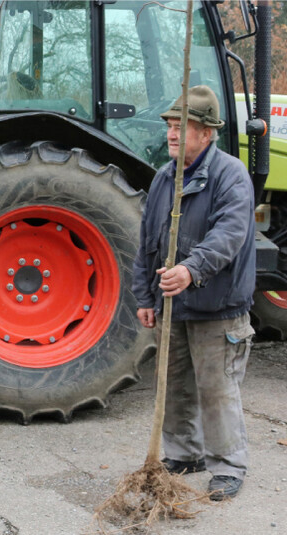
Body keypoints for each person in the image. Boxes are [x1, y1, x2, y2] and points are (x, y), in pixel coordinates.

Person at [132, 85, 255, 501]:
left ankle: (228, 465)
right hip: (173, 305)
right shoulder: (164, 177)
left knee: (217, 388)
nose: (170, 133)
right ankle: (184, 455)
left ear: (206, 133)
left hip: (218, 306)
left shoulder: (230, 174)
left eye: (181, 126)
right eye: (169, 125)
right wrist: (146, 296)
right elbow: (148, 241)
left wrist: (190, 269)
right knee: (174, 385)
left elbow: (230, 234)